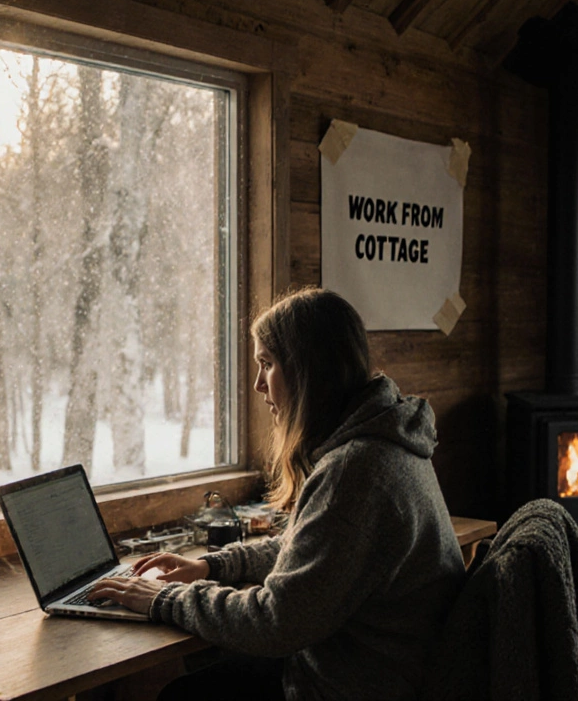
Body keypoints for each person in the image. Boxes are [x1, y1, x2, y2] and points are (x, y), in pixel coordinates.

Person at [89, 287, 465, 700]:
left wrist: (166, 599)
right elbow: (310, 554)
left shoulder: (355, 471)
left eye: (267, 364)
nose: (257, 385)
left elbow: (276, 622)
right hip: (367, 669)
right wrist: (215, 567)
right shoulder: (380, 442)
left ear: (307, 371)